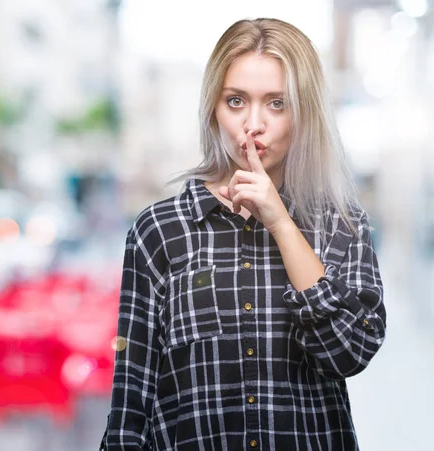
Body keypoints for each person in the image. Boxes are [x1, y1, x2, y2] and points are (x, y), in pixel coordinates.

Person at [101, 17, 386, 451]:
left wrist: (281, 224)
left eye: (276, 103)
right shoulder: (160, 231)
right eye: (236, 101)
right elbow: (131, 401)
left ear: (303, 111)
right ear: (214, 108)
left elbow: (349, 353)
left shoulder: (340, 223)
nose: (253, 125)